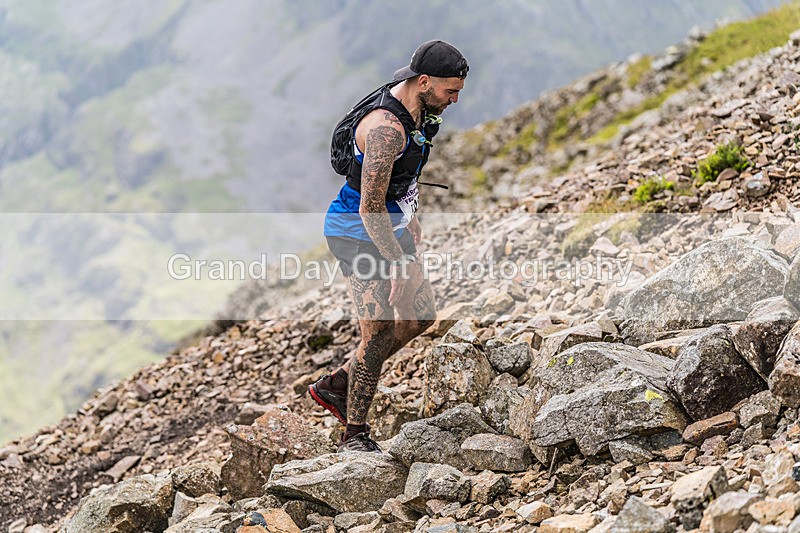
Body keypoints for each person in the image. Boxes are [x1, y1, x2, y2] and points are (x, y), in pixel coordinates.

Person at [308, 40, 468, 452]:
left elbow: (401, 181)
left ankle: (340, 381)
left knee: (419, 317)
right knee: (378, 333)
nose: (453, 100)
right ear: (425, 81)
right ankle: (355, 435)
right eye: (450, 91)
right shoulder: (385, 130)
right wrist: (397, 264)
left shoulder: (419, 109)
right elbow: (369, 207)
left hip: (390, 225)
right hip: (356, 232)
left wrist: (410, 216)